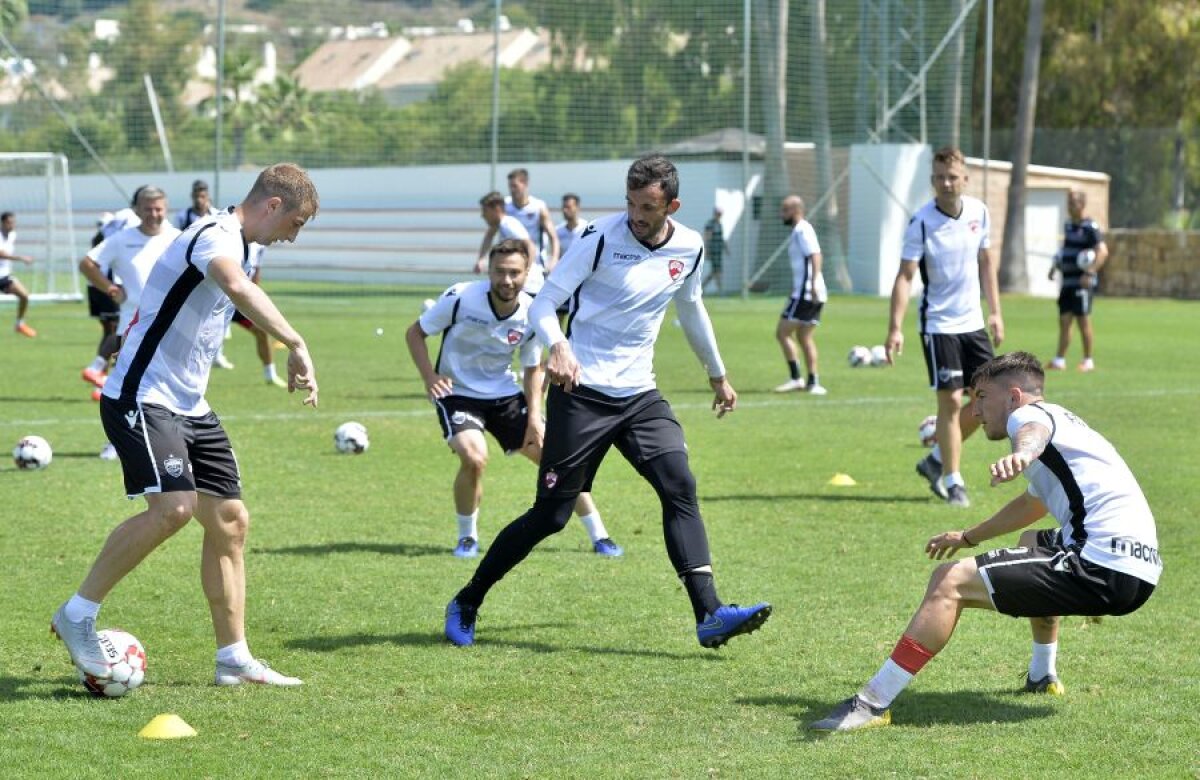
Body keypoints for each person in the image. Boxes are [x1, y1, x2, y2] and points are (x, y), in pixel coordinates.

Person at [444, 155, 771, 649]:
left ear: (672, 206)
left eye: (647, 206)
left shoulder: (690, 247)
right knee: (551, 516)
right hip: (583, 393)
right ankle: (467, 600)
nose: (636, 215)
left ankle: (710, 613)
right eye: (631, 203)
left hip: (640, 394)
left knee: (679, 484)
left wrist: (718, 375)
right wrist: (559, 345)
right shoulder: (599, 237)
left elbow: (692, 308)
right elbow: (546, 302)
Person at [50, 163, 320, 687]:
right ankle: (77, 614)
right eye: (297, 222)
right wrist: (296, 342)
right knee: (175, 507)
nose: (294, 234)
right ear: (272, 206)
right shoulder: (212, 234)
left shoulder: (246, 242)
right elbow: (234, 285)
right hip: (141, 395)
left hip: (190, 405)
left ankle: (233, 659)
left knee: (230, 521)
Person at [809, 351, 1161, 732]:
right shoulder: (1068, 426)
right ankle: (1042, 675)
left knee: (950, 581)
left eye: (980, 397)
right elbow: (1032, 504)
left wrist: (1022, 454)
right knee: (1032, 542)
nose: (975, 411)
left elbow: (1032, 434)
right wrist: (967, 537)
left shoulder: (1030, 417)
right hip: (1139, 568)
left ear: (1012, 396)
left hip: (1101, 564)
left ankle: (872, 704)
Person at [406, 239, 623, 559]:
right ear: (489, 271)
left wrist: (534, 417)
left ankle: (599, 535)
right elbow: (415, 333)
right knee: (474, 457)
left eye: (514, 273)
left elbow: (533, 368)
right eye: (499, 272)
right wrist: (430, 377)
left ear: (526, 275)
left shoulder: (532, 313)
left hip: (505, 395)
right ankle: (467, 538)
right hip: (458, 394)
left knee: (560, 460)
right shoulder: (461, 297)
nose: (506, 280)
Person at [885, 146, 1004, 509]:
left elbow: (986, 264)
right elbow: (905, 277)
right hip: (938, 324)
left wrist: (996, 312)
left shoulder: (980, 213)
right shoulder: (921, 221)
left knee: (989, 399)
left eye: (952, 177)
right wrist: (895, 328)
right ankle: (953, 481)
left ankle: (936, 459)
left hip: (973, 323)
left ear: (965, 179)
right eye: (939, 177)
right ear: (932, 181)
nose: (946, 183)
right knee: (951, 401)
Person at [78, 186, 181, 459]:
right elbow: (88, 263)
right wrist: (111, 289)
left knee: (168, 389)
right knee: (121, 389)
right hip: (130, 328)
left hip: (173, 329)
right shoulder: (121, 239)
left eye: (158, 208)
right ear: (136, 210)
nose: (153, 214)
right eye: (147, 208)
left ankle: (167, 444)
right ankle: (116, 443)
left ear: (166, 209)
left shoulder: (178, 239)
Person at [1046, 189, 1108, 373]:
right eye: (1068, 202)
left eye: (1073, 202)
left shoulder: (1090, 227)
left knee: (1083, 322)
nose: (1069, 206)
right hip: (1067, 282)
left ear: (1082, 204)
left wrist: (1090, 272)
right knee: (1064, 321)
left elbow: (1102, 251)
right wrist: (1054, 267)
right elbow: (1066, 251)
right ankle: (1059, 360)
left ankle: (1088, 361)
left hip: (1082, 284)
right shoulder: (1068, 226)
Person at [773, 196, 827, 395]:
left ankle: (797, 378)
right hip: (808, 292)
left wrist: (812, 285)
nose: (781, 214)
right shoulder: (800, 230)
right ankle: (813, 381)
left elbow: (815, 255)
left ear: (795, 210)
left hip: (806, 293)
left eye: (784, 210)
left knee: (782, 332)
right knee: (804, 337)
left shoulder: (803, 229)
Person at [214, 243, 288, 386]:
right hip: (219, 300)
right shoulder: (232, 238)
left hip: (240, 303)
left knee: (261, 331)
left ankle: (270, 375)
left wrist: (254, 295)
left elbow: (256, 271)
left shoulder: (260, 245)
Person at [475, 168, 560, 285]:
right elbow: (490, 233)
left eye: (515, 186)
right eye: (510, 186)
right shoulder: (504, 206)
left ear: (525, 184)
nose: (512, 190)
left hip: (535, 264)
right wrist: (481, 258)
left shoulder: (538, 207)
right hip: (510, 263)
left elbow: (553, 237)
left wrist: (553, 259)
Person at [474, 191, 541, 292]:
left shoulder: (508, 225)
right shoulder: (500, 225)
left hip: (530, 283)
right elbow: (489, 235)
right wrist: (481, 259)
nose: (482, 215)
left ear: (496, 209)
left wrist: (526, 272)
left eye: (485, 211)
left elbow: (530, 246)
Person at [0, 211, 38, 337]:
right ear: (3, 223)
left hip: (4, 276)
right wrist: (21, 258)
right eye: (9, 223)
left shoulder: (12, 235)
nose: (12, 225)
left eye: (13, 222)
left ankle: (19, 324)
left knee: (24, 296)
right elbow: (2, 254)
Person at [701, 207, 725, 294]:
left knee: (715, 272)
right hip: (713, 251)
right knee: (717, 271)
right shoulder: (710, 224)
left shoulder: (719, 224)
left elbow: (721, 238)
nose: (720, 215)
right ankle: (720, 290)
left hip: (719, 251)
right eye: (718, 214)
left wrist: (726, 248)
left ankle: (701, 287)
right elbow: (707, 237)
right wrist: (707, 249)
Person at [555, 193, 587, 257]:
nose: (565, 210)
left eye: (568, 207)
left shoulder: (586, 229)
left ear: (577, 208)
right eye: (563, 207)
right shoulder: (557, 231)